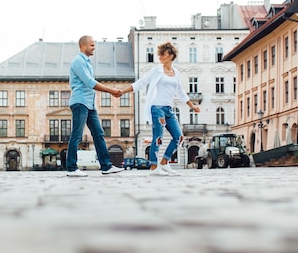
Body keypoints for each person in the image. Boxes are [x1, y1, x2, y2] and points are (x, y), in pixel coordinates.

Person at [119, 42, 200, 176]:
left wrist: (192, 106)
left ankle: (164, 162)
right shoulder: (156, 70)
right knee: (158, 137)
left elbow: (181, 91)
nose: (160, 56)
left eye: (163, 54)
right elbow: (141, 82)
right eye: (159, 54)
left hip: (169, 109)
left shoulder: (177, 73)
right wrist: (123, 91)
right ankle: (154, 167)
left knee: (178, 137)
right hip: (157, 108)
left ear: (171, 55)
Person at [66, 36, 124, 177]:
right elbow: (90, 82)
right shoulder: (78, 62)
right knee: (77, 135)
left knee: (98, 134)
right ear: (83, 46)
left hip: (89, 103)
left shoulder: (87, 63)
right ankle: (72, 168)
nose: (94, 48)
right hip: (80, 102)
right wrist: (111, 91)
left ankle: (106, 166)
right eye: (91, 45)